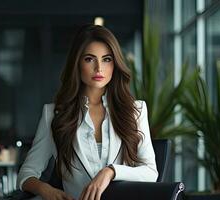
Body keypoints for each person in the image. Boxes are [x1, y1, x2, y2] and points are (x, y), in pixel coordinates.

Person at [17, 24, 158, 200]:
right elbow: (26, 174)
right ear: (77, 63)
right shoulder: (54, 114)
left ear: (115, 64)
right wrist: (46, 190)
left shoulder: (135, 111)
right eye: (90, 59)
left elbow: (151, 173)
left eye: (107, 59)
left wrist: (111, 172)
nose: (99, 68)